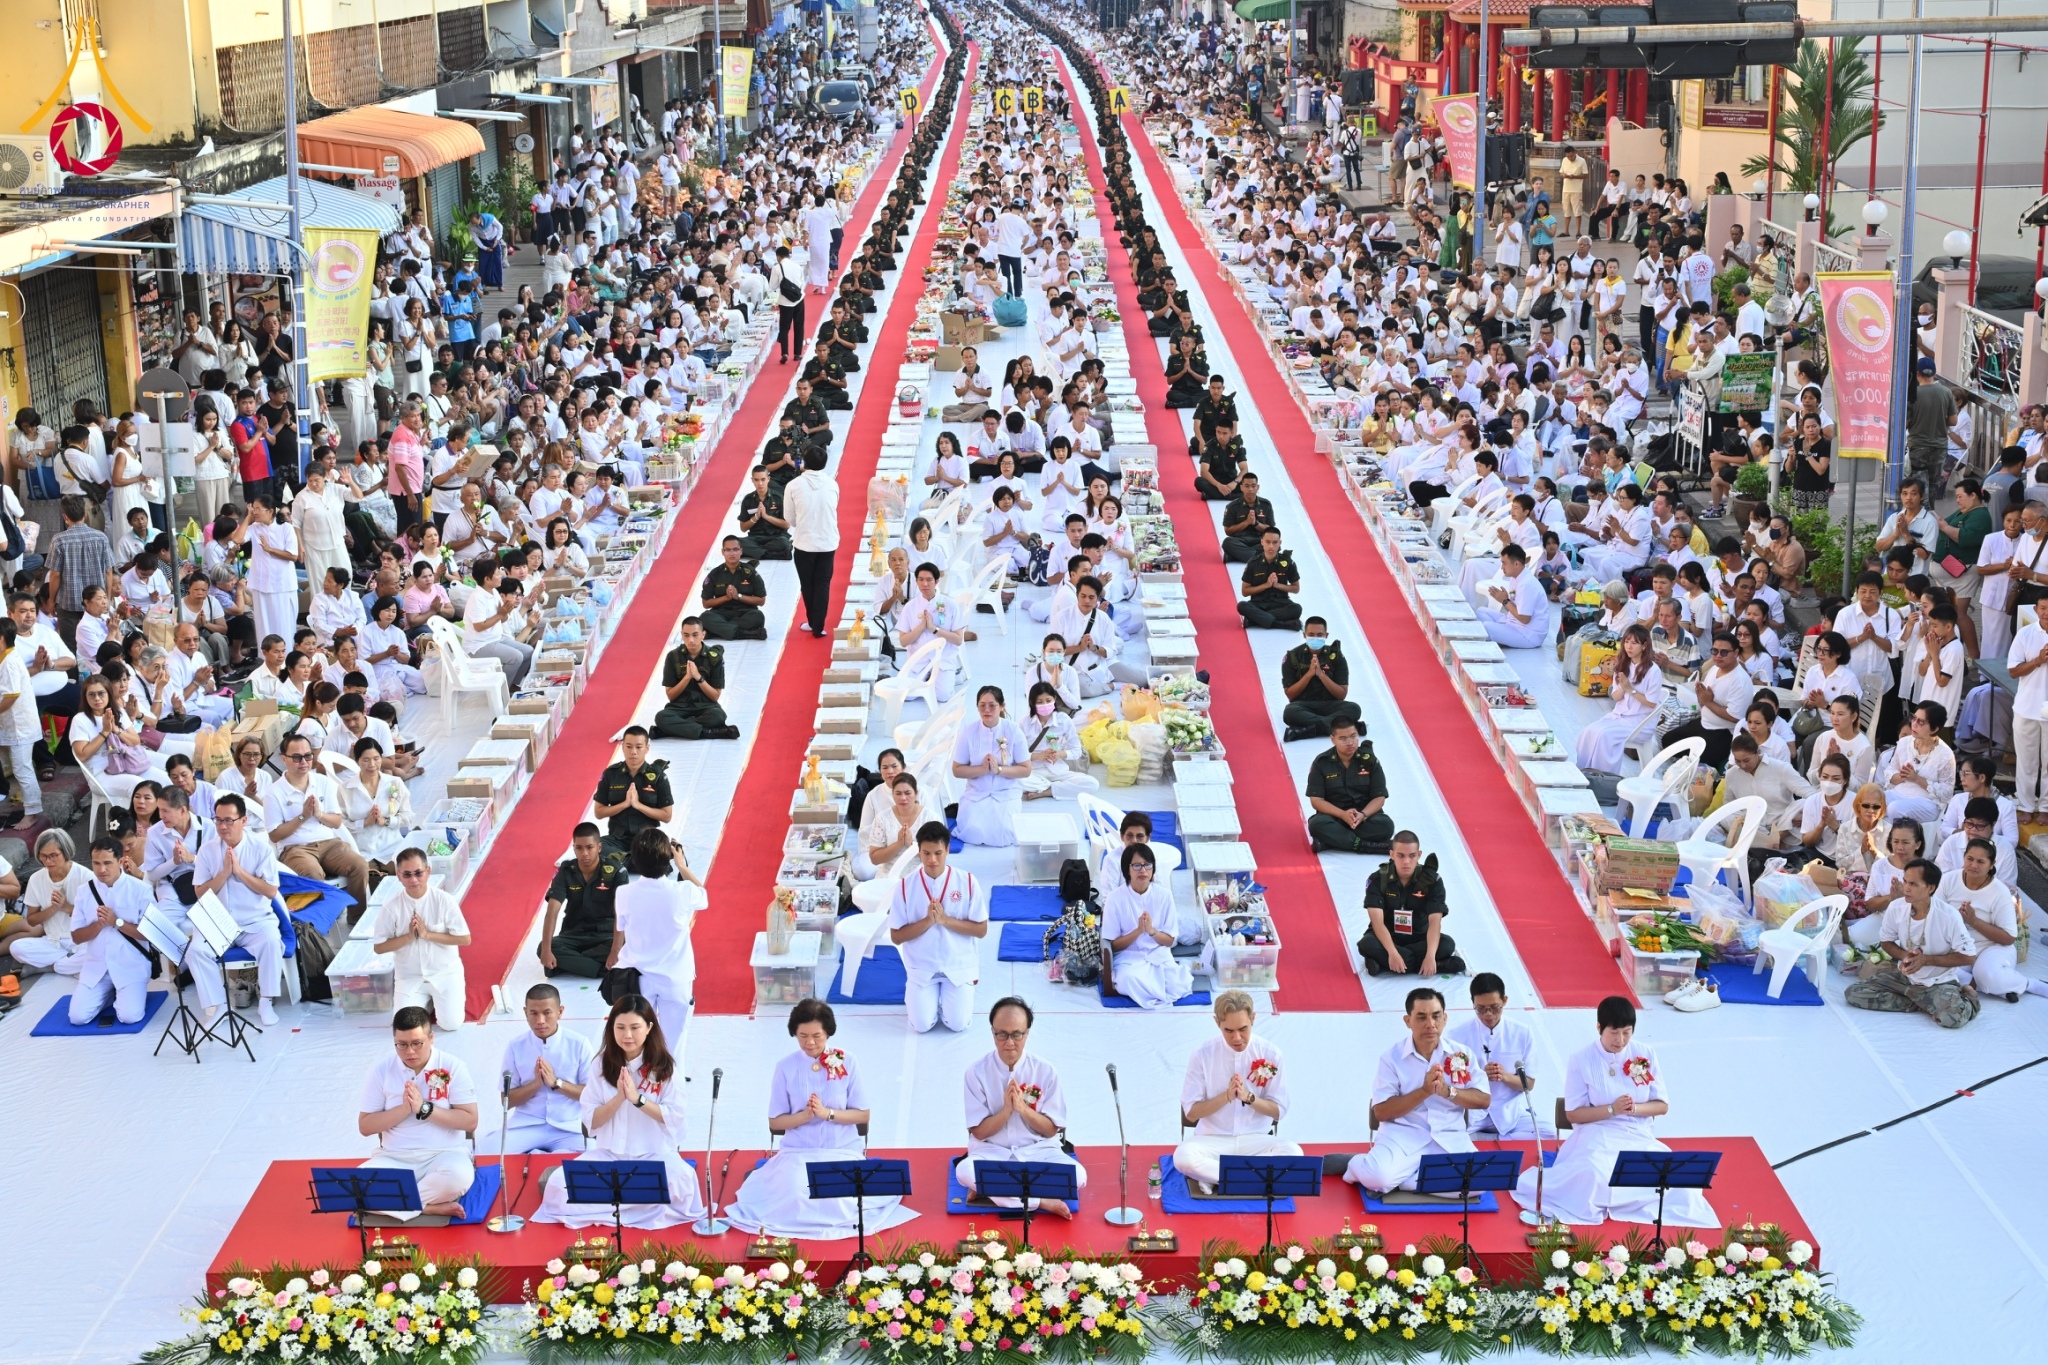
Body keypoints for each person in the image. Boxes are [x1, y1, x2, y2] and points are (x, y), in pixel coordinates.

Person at [1512, 995, 1718, 1227]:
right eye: (1614, 1032)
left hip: (1636, 1133)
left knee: (1676, 1182)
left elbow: (1661, 1105)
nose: (1620, 1040)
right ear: (1599, 1027)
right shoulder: (1581, 1059)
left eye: (1627, 1032)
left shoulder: (1645, 1053)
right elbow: (1573, 1114)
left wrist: (1634, 1109)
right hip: (1595, 1132)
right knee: (1594, 1176)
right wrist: (1612, 1109)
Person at [723, 998, 920, 1238]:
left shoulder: (847, 1061)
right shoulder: (785, 1067)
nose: (810, 1042)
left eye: (817, 1035)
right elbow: (775, 1122)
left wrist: (828, 1114)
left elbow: (863, 1114)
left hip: (841, 1150)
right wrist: (805, 1116)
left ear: (828, 1033)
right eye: (802, 1035)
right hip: (797, 1153)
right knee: (796, 1195)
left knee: (838, 1200)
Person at [533, 993, 707, 1227]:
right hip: (609, 1156)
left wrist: (637, 1100)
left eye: (635, 1027)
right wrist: (618, 1099)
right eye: (620, 1027)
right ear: (611, 1028)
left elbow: (674, 1117)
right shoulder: (601, 1064)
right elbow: (591, 1120)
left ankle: (615, 1207)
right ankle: (640, 1206)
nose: (627, 1035)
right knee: (557, 1186)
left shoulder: (666, 1067)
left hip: (654, 1155)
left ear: (649, 1027)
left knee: (683, 1183)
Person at [1346, 987, 1490, 1192]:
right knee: (1378, 1179)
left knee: (1481, 1182)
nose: (1430, 1024)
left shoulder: (1462, 1054)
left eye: (1436, 1016)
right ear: (1408, 1021)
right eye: (1421, 1017)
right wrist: (1424, 1091)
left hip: (1449, 1136)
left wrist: (1448, 1092)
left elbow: (1484, 1100)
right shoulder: (1392, 1058)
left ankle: (1405, 1181)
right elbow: (1381, 1112)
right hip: (1403, 1136)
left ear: (1445, 1018)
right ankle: (1356, 1164)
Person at [956, 997, 1085, 1217]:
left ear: (1027, 1033)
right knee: (964, 1171)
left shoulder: (1045, 1071)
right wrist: (1006, 1111)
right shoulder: (976, 1072)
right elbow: (978, 1131)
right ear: (993, 1033)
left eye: (1017, 1034)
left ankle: (992, 1189)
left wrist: (1024, 1110)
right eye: (1002, 1034)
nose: (1009, 1043)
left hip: (1038, 1151)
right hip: (992, 1152)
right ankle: (1040, 1201)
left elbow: (1052, 1130)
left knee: (1078, 1176)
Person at [356, 1005, 479, 1219]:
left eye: (416, 1043)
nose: (409, 1052)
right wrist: (404, 1109)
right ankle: (426, 1206)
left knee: (457, 1177)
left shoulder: (453, 1066)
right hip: (393, 1157)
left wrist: (424, 1108)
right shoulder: (381, 1070)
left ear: (431, 1038)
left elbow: (470, 1121)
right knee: (356, 1186)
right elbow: (365, 1126)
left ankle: (392, 1204)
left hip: (444, 1155)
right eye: (401, 1045)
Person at [1171, 991, 1302, 1188]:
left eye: (1243, 1029)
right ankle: (1249, 1176)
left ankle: (1216, 1177)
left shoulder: (1271, 1054)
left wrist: (1248, 1097)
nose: (1237, 1037)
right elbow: (1191, 1113)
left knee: (1293, 1152)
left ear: (1253, 1019)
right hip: (1212, 1140)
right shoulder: (1202, 1054)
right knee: (1183, 1157)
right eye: (1229, 1031)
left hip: (1256, 1142)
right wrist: (1226, 1096)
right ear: (1217, 1023)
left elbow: (1279, 1111)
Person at [184, 794, 285, 1025]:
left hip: (254, 919)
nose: (222, 826)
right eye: (218, 820)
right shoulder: (207, 851)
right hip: (218, 922)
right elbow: (199, 893)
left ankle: (266, 1001)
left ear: (243, 820)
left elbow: (270, 891)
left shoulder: (260, 849)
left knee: (270, 941)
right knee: (195, 951)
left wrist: (239, 872)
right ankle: (218, 1006)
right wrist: (224, 874)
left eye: (228, 820)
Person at [1844, 858, 1982, 1026]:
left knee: (1953, 1018)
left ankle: (1968, 997)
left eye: (1914, 884)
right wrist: (1905, 956)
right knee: (1854, 993)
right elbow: (1886, 941)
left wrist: (1927, 960)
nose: (1906, 888)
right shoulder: (1896, 907)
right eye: (1905, 881)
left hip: (1938, 983)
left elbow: (1969, 957)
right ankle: (1925, 1005)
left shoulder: (1949, 916)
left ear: (1930, 888)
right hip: (1905, 980)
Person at [608, 828, 704, 1053]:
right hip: (676, 978)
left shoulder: (624, 893)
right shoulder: (682, 891)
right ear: (669, 857)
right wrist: (682, 866)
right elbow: (704, 895)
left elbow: (620, 928)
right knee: (674, 1044)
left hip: (638, 978)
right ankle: (673, 1082)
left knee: (638, 1045)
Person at [886, 820, 987, 1033]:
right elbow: (896, 937)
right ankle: (925, 1001)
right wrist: (927, 921)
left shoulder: (967, 881)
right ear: (919, 852)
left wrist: (945, 920)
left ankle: (949, 1002)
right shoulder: (905, 886)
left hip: (957, 965)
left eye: (938, 853)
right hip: (922, 967)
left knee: (957, 1025)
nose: (932, 860)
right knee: (921, 1026)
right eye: (926, 853)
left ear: (948, 850)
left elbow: (981, 930)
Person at [265, 733, 370, 912]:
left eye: (308, 756)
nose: (303, 762)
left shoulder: (322, 782)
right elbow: (274, 835)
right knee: (313, 874)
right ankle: (324, 924)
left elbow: (337, 822)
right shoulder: (274, 792)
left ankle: (357, 918)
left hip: (329, 843)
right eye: (297, 757)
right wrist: (302, 817)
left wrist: (319, 814)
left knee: (360, 865)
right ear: (284, 759)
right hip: (296, 848)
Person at [371, 847, 471, 1031]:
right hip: (410, 977)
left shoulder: (444, 900)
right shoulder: (391, 907)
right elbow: (379, 947)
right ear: (399, 875)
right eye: (407, 875)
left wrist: (427, 935)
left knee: (450, 1025)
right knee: (405, 1027)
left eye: (418, 873)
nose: (414, 880)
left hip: (445, 973)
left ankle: (435, 1002)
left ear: (428, 871)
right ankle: (426, 1003)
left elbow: (465, 939)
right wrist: (409, 936)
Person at [62, 835, 155, 1026]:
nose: (101, 869)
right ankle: (107, 997)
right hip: (97, 967)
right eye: (96, 863)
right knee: (78, 1018)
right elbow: (77, 937)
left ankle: (128, 994)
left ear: (120, 861)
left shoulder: (140, 889)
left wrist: (116, 922)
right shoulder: (84, 891)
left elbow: (150, 934)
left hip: (130, 965)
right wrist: (99, 924)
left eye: (107, 863)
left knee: (130, 1017)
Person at [1939, 838, 2044, 1001]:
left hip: (1992, 947)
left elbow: (2008, 938)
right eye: (1970, 859)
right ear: (1964, 857)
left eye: (1981, 861)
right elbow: (1935, 915)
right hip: (1958, 945)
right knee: (1929, 964)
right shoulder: (1948, 880)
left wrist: (1974, 921)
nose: (1973, 865)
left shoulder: (1999, 891)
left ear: (1992, 864)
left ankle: (2031, 984)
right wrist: (1955, 919)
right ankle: (1995, 988)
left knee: (1987, 974)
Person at [498, 983, 593, 1154]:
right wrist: (536, 1084)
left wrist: (556, 1083)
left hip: (568, 1126)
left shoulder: (579, 1044)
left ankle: (538, 1156)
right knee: (488, 1152)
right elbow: (507, 1100)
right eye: (533, 1013)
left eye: (547, 1013)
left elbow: (592, 1095)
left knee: (589, 1158)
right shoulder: (515, 1046)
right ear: (525, 1012)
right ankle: (536, 1155)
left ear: (560, 1012)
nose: (540, 1021)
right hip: (526, 1125)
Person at [1356, 832, 1464, 977]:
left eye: (1412, 855)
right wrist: (1393, 953)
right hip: (1388, 936)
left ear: (1419, 855)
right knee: (1367, 944)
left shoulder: (1432, 881)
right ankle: (1438, 966)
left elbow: (1434, 922)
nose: (1406, 861)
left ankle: (1383, 964)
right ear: (1392, 854)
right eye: (1401, 855)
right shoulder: (1377, 879)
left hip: (1418, 937)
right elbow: (1377, 923)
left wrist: (1430, 956)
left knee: (1446, 944)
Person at [1102, 841, 1195, 1008]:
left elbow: (1169, 941)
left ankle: (1173, 978)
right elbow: (1114, 945)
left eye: (1147, 865)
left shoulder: (1164, 895)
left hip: (1158, 955)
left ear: (1153, 870)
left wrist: (1151, 931)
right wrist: (1138, 931)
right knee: (1128, 980)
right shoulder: (1115, 898)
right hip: (1129, 958)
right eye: (1137, 866)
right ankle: (1156, 995)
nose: (1143, 870)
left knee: (1178, 983)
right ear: (1127, 870)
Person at [1447, 973, 1541, 1138]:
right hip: (1472, 1115)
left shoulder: (1522, 1033)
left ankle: (1496, 1142)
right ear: (1473, 1003)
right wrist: (1480, 1075)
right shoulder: (1458, 1037)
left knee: (1547, 1135)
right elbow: (1454, 1083)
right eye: (1481, 1009)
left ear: (1505, 1001)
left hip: (1509, 1114)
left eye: (1494, 1007)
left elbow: (1529, 1084)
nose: (1488, 1014)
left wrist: (1504, 1076)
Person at [540, 823, 624, 978]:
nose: (584, 853)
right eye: (579, 848)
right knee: (544, 947)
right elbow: (552, 912)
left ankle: (571, 964)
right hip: (575, 933)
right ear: (574, 848)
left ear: (599, 847)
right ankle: (602, 970)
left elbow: (622, 914)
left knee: (627, 945)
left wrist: (615, 951)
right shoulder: (566, 872)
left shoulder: (616, 872)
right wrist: (546, 951)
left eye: (589, 847)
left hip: (606, 934)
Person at [950, 685, 1030, 847]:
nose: (987, 710)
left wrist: (998, 770)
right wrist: (981, 770)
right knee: (970, 830)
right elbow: (957, 770)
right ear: (977, 707)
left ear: (1002, 706)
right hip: (977, 792)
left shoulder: (1013, 730)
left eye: (992, 705)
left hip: (1005, 792)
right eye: (982, 705)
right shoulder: (967, 731)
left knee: (1005, 832)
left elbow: (1026, 769)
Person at [1306, 717, 1394, 853]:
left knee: (1386, 826)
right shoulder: (1321, 762)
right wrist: (1342, 814)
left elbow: (1379, 797)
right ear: (1332, 739)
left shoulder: (1369, 761)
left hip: (1364, 817)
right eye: (1343, 739)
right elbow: (1316, 801)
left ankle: (1332, 843)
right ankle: (1370, 846)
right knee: (1317, 825)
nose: (1350, 743)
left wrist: (1363, 815)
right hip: (1335, 817)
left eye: (1353, 736)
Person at [651, 616, 738, 740]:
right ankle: (707, 732)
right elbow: (671, 696)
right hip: (679, 707)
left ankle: (669, 731)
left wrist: (698, 678)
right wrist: (687, 678)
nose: (691, 640)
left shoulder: (714, 657)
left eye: (695, 635)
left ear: (703, 634)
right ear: (681, 635)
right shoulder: (673, 656)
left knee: (718, 715)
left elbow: (715, 696)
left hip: (705, 706)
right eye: (686, 635)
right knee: (661, 717)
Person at [592, 727, 672, 855]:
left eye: (639, 747)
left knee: (656, 851)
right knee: (596, 847)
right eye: (629, 747)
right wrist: (625, 804)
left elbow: (666, 816)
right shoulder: (611, 774)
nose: (633, 752)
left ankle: (621, 860)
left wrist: (638, 805)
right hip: (618, 838)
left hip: (647, 838)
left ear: (647, 748)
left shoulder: (658, 777)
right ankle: (635, 861)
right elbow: (599, 812)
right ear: (622, 747)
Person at [1280, 617, 1361, 741]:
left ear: (1326, 635)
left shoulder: (1336, 656)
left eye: (1319, 635)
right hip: (1304, 706)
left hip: (1330, 705)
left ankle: (1309, 730)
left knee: (1354, 709)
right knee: (1289, 712)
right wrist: (1309, 674)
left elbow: (1341, 695)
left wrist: (1322, 675)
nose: (1315, 638)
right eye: (1311, 635)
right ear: (1304, 635)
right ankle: (1347, 727)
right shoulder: (1292, 657)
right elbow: (1290, 695)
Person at [788, 446, 840, 637]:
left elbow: (790, 518)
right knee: (822, 583)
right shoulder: (833, 485)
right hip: (827, 542)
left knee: (808, 584)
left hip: (804, 543)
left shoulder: (793, 485)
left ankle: (813, 622)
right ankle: (818, 625)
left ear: (805, 463)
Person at [1018, 680, 1097, 800]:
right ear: (1032, 703)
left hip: (1057, 771)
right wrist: (1038, 756)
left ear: (1054, 699)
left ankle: (1046, 791)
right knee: (1013, 780)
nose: (1045, 704)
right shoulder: (1024, 722)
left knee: (1092, 783)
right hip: (1033, 771)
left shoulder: (1064, 720)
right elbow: (1016, 754)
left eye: (1048, 701)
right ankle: (1053, 787)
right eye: (1039, 702)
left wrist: (1060, 754)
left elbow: (1077, 751)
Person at [461, 557, 534, 685]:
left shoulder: (494, 592)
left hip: (495, 638)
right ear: (487, 579)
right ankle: (501, 691)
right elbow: (479, 627)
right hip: (479, 645)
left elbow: (503, 618)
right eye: (496, 574)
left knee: (528, 652)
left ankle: (514, 685)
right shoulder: (477, 598)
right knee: (515, 657)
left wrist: (505, 612)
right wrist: (500, 614)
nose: (501, 575)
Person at [1476, 543, 1548, 648]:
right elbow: (1514, 605)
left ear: (1516, 564)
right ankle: (1498, 638)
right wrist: (1506, 599)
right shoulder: (1515, 578)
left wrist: (1505, 601)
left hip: (1528, 634)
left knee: (1486, 627)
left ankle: (1497, 638)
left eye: (1504, 563)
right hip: (1513, 622)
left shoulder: (1526, 584)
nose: (1501, 568)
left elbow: (1525, 619)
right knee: (1481, 611)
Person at [699, 537, 768, 642]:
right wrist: (726, 598)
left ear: (741, 551)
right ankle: (745, 633)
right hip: (721, 613)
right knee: (705, 617)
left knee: (758, 616)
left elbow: (761, 601)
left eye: (735, 549)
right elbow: (706, 603)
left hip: (745, 612)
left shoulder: (750, 572)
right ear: (723, 552)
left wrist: (739, 597)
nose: (732, 553)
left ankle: (717, 632)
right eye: (728, 550)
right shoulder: (715, 574)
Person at [1238, 526, 1303, 630]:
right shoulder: (1253, 563)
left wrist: (1278, 585)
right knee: (1242, 606)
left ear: (1280, 543)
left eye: (1275, 542)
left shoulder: (1287, 562)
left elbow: (1296, 588)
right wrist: (1266, 585)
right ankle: (1282, 624)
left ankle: (1256, 619)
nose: (1271, 546)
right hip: (1258, 603)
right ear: (1262, 542)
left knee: (1297, 609)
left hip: (1280, 603)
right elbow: (1245, 591)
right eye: (1268, 542)